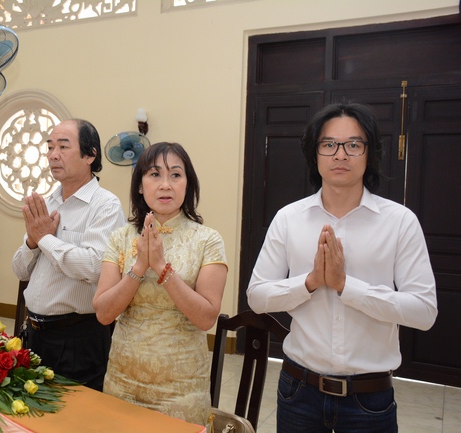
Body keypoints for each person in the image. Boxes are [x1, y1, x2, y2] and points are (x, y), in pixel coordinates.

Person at [247, 102, 438, 433]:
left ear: (369, 153)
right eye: (329, 144)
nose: (340, 155)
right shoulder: (289, 219)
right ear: (315, 153)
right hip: (298, 391)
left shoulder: (399, 222)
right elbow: (257, 297)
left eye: (353, 144)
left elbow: (424, 311)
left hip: (369, 397)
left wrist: (346, 286)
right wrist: (309, 282)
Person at [93, 142, 228, 429]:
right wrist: (139, 267)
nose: (166, 184)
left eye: (176, 175)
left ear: (187, 184)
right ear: (140, 186)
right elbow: (103, 313)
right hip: (122, 382)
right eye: (155, 174)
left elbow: (206, 318)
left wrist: (162, 268)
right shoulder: (120, 237)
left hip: (181, 391)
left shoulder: (207, 240)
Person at [11, 119, 125, 391]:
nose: (53, 155)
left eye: (63, 147)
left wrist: (45, 239)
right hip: (34, 333)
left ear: (90, 155)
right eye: (50, 147)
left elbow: (94, 267)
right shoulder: (48, 202)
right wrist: (32, 241)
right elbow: (20, 270)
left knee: (77, 414)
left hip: (77, 337)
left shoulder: (106, 205)